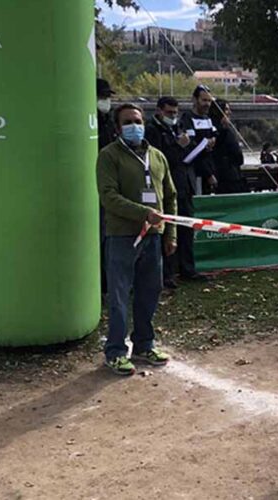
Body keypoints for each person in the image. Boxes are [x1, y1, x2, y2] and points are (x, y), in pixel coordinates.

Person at [96, 103, 176, 375]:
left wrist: (170, 233)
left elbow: (170, 196)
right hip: (122, 237)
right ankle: (116, 351)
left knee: (149, 293)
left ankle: (144, 344)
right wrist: (144, 212)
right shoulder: (109, 156)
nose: (135, 126)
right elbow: (108, 196)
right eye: (128, 122)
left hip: (153, 237)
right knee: (119, 296)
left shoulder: (157, 156)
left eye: (138, 121)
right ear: (118, 128)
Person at [145, 96, 196, 289]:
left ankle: (187, 269)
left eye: (175, 113)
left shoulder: (177, 127)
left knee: (186, 229)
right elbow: (159, 159)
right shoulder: (152, 130)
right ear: (159, 111)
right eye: (169, 113)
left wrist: (188, 145)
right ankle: (166, 274)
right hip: (164, 186)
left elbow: (187, 154)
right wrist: (178, 146)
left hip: (183, 185)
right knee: (165, 231)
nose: (173, 116)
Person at [95, 78, 119, 297]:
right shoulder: (91, 122)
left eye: (108, 97)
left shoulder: (109, 121)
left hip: (111, 190)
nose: (106, 101)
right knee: (98, 237)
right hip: (95, 188)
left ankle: (108, 282)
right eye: (103, 96)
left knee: (109, 238)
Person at [179, 84, 219, 195]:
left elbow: (215, 134)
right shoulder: (187, 118)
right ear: (195, 99)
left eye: (209, 101)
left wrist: (213, 139)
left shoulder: (208, 119)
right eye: (204, 100)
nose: (207, 104)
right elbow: (192, 147)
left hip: (210, 168)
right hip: (195, 171)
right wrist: (208, 173)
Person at [210, 99, 248, 194]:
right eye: (226, 109)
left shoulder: (223, 129)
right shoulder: (222, 130)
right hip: (228, 177)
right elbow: (236, 154)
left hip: (226, 175)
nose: (229, 112)